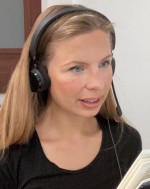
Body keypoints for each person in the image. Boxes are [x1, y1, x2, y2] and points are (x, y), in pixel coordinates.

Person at [0, 4, 142, 188]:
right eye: (77, 68)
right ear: (40, 76)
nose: (97, 84)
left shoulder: (126, 141)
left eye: (104, 63)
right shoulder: (8, 153)